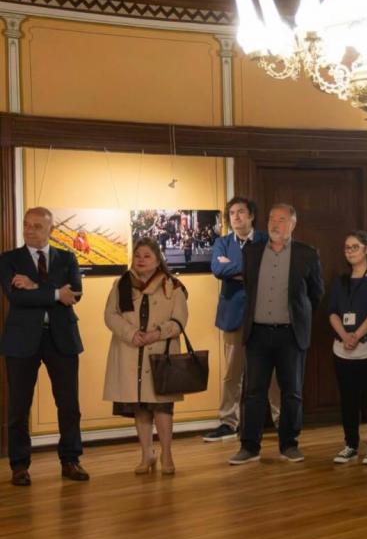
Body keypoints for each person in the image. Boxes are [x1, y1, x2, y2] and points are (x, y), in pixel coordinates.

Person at [229, 204, 324, 465]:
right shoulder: (252, 252)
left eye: (281, 219)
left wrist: (298, 319)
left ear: (292, 224)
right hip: (257, 334)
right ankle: (249, 447)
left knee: (292, 392)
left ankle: (289, 444)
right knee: (253, 392)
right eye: (272, 218)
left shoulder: (307, 254)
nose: (275, 223)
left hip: (290, 336)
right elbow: (249, 287)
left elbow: (315, 294)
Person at [0, 207, 88, 486]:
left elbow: (74, 294)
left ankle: (71, 460)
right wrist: (55, 292)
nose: (29, 230)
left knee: (69, 405)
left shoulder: (67, 257)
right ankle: (19, 465)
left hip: (62, 338)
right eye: (26, 224)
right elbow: (17, 298)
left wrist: (34, 285)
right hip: (21, 340)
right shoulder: (8, 259)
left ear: (51, 230)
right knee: (18, 407)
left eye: (37, 226)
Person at [103, 238, 189, 474]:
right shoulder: (121, 284)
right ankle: (147, 455)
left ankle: (166, 455)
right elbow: (110, 315)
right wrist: (131, 333)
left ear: (158, 260)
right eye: (138, 255)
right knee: (140, 407)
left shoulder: (173, 286)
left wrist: (156, 334)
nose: (141, 260)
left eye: (147, 256)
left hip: (160, 355)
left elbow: (180, 320)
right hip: (130, 354)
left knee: (162, 407)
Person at [204, 196, 280, 442]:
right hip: (233, 317)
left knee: (272, 373)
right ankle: (228, 423)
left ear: (251, 215)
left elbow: (272, 270)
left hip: (264, 315)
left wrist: (235, 267)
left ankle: (282, 421)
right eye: (232, 213)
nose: (236, 216)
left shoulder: (266, 240)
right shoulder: (222, 242)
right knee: (231, 373)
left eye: (241, 212)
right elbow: (218, 270)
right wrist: (249, 268)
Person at [328, 231, 367, 465]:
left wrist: (357, 335)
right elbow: (332, 312)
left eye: (355, 247)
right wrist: (345, 336)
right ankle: (351, 444)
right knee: (348, 400)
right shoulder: (341, 280)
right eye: (347, 248)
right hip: (342, 349)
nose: (350, 251)